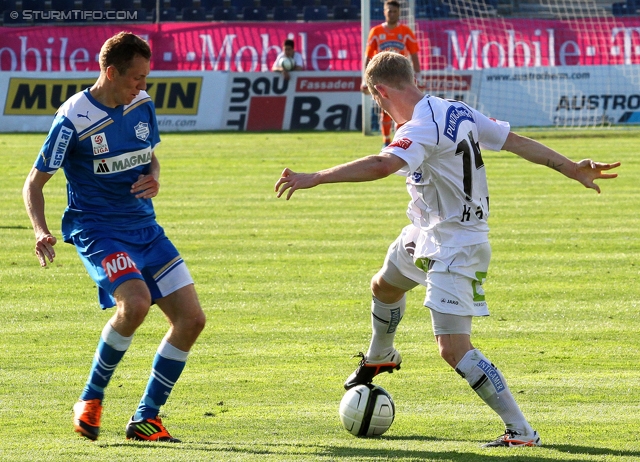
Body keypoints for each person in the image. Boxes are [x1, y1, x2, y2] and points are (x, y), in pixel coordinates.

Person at [275, 51, 620, 447]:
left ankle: (521, 431)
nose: (379, 109)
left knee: (454, 349)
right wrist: (570, 168)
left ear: (381, 91)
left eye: (375, 100)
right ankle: (380, 355)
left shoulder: (422, 126)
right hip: (426, 232)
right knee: (385, 286)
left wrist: (314, 177)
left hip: (457, 245)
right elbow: (514, 141)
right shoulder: (455, 110)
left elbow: (380, 164)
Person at [22, 32, 206, 443]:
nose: (143, 87)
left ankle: (147, 419)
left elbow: (150, 156)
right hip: (98, 228)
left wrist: (155, 178)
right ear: (110, 72)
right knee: (136, 302)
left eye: (146, 78)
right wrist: (41, 230)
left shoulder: (141, 104)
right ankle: (90, 398)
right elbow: (33, 184)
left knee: (191, 320)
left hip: (144, 226)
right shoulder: (74, 118)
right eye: (136, 79)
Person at [363, 0, 420, 147]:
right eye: (389, 11)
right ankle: (386, 140)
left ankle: (402, 138)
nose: (392, 14)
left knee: (404, 108)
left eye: (394, 11)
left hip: (401, 77)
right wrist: (365, 79)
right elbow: (368, 57)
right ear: (384, 12)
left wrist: (418, 76)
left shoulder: (406, 31)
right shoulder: (376, 32)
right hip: (381, 76)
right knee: (386, 109)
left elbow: (414, 55)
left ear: (399, 12)